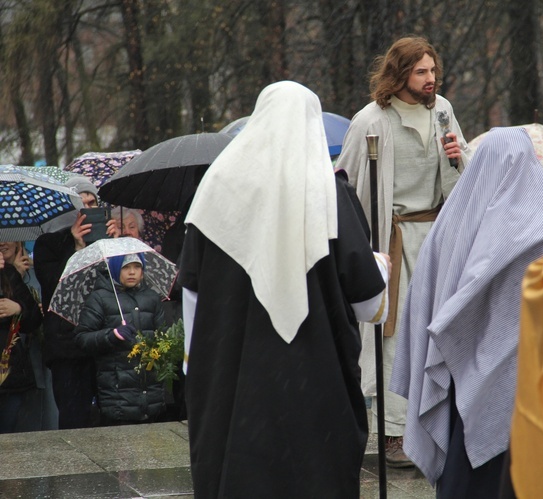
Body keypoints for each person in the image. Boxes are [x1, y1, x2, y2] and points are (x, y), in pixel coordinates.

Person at [179, 81, 390, 498]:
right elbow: (368, 303)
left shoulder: (214, 193)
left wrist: (203, 369)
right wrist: (379, 266)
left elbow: (192, 300)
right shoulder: (331, 195)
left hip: (232, 391)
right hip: (316, 388)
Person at [390, 128, 543, 497]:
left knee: (469, 479)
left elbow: (424, 299)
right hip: (536, 383)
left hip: (459, 371)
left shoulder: (448, 226)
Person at [336, 35, 471, 468]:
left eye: (433, 71)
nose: (431, 79)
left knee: (438, 329)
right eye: (421, 72)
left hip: (436, 236)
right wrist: (364, 250)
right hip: (391, 242)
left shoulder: (443, 111)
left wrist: (459, 156)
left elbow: (464, 170)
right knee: (391, 338)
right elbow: (350, 188)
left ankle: (440, 422)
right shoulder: (370, 121)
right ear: (400, 74)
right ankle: (393, 434)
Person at [34, 176, 120, 429]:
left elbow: (125, 282)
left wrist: (114, 246)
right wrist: (77, 248)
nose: (88, 209)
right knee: (75, 418)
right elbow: (53, 284)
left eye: (92, 203)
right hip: (67, 345)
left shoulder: (108, 242)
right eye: (81, 204)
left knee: (111, 415)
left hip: (105, 338)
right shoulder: (49, 243)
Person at [74, 253, 166, 425]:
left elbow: (163, 335)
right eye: (125, 267)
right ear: (115, 269)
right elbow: (82, 338)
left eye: (137, 267)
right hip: (116, 392)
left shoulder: (152, 298)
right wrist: (112, 335)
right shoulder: (100, 298)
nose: (132, 272)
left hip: (150, 390)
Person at [0, 250, 44, 433]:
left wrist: (19, 308)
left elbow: (34, 319)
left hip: (9, 370)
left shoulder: (9, 274)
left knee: (8, 435)